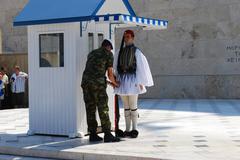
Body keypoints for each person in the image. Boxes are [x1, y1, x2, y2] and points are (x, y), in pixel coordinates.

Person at [114, 30, 154, 138]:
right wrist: (115, 80)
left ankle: (134, 128)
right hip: (122, 81)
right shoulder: (119, 51)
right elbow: (115, 66)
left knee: (133, 105)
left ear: (132, 38)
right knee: (126, 106)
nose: (126, 39)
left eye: (128, 37)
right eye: (125, 37)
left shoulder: (136, 52)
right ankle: (127, 129)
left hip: (133, 81)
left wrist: (141, 81)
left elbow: (141, 67)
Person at [81, 39, 120, 143]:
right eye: (110, 49)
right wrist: (115, 83)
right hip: (98, 86)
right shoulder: (108, 54)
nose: (110, 50)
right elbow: (110, 74)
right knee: (103, 108)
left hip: (86, 84)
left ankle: (93, 134)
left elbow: (94, 73)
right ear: (108, 47)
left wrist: (109, 83)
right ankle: (107, 134)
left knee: (90, 109)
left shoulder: (92, 53)